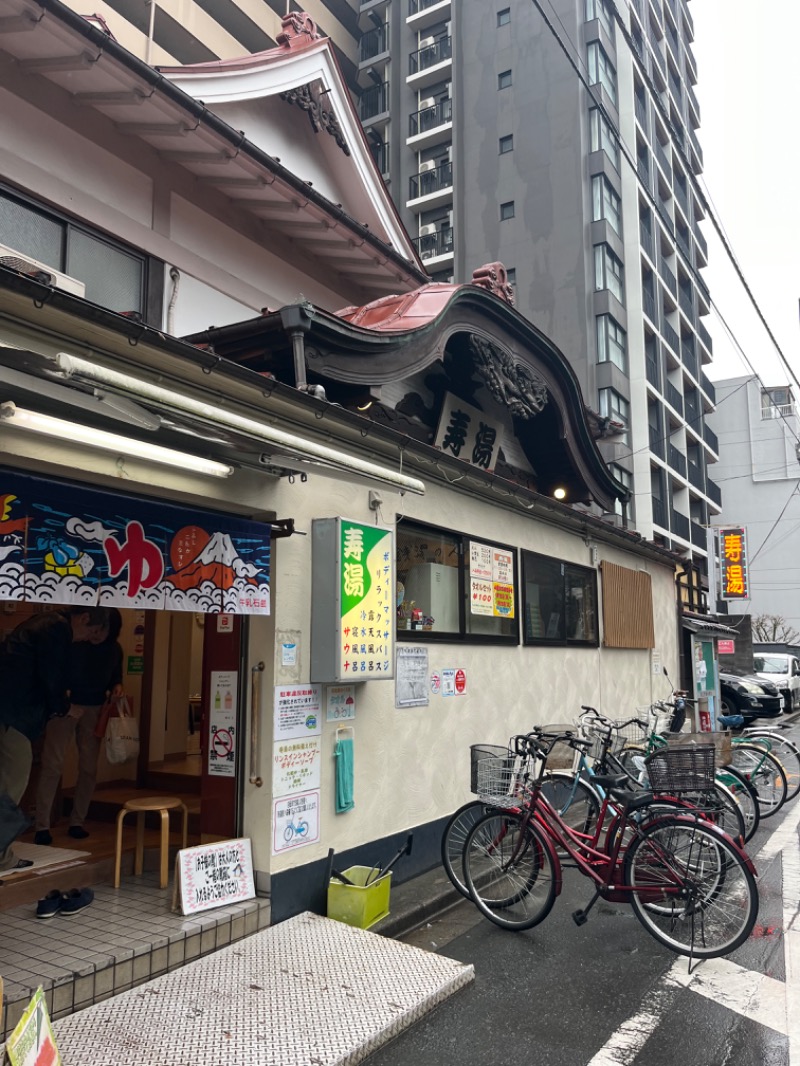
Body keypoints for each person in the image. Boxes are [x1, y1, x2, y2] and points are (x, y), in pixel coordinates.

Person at [0, 605, 110, 870]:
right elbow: (50, 676)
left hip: (8, 709)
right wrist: (63, 706)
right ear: (83, 618)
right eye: (90, 632)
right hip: (14, 713)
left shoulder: (40, 622)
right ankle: (2, 857)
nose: (85, 639)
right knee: (12, 785)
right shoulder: (57, 629)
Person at [35, 607, 124, 845]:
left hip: (95, 708)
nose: (94, 635)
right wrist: (64, 703)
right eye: (94, 630)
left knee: (88, 768)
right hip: (66, 706)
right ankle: (41, 824)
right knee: (53, 763)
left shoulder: (114, 649)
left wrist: (117, 686)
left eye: (100, 631)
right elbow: (55, 674)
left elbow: (116, 676)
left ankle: (77, 821)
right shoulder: (72, 641)